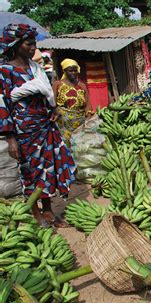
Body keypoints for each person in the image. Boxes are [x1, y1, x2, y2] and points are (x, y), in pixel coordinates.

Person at [0, 24, 76, 227]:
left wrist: (54, 110)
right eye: (28, 43)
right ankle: (36, 213)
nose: (33, 47)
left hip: (45, 125)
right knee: (30, 172)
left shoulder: (35, 68)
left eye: (34, 43)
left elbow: (46, 96)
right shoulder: (5, 72)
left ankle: (49, 210)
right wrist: (10, 139)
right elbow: (3, 105)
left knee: (48, 169)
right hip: (24, 130)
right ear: (15, 45)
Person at [53, 58, 92, 146]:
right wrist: (55, 112)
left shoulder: (81, 85)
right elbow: (52, 102)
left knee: (80, 145)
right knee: (66, 144)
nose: (73, 73)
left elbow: (88, 103)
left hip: (80, 120)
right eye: (70, 71)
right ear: (64, 71)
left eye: (75, 70)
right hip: (63, 122)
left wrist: (89, 115)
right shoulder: (58, 84)